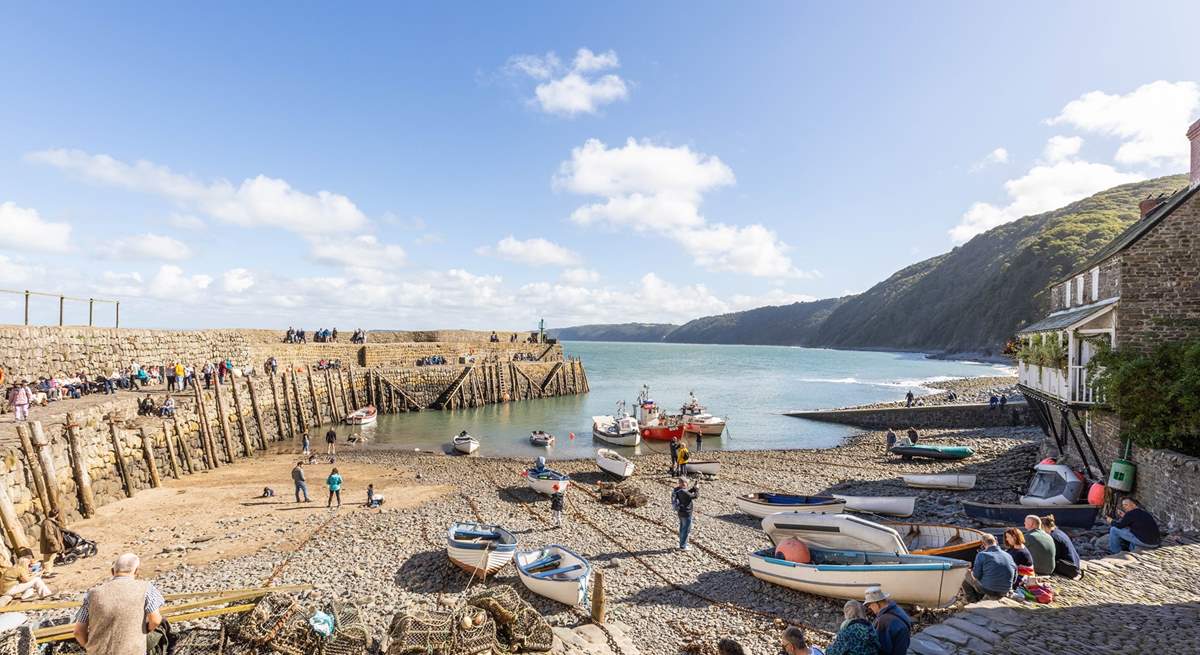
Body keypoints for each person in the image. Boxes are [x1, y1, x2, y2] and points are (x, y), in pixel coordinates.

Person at [73, 553, 165, 654]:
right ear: (137, 572)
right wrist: (144, 632)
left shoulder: (92, 594)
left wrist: (90, 647)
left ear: (112, 571)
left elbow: (78, 631)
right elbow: (156, 620)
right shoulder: (146, 588)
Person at [962, 533, 1016, 601]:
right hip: (1005, 590)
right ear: (996, 541)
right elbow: (1014, 577)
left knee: (964, 575)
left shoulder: (982, 555)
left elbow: (976, 576)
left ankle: (972, 601)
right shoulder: (1008, 555)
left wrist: (970, 572)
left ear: (983, 544)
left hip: (989, 590)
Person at [865, 587, 910, 655]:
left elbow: (881, 648)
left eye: (869, 605)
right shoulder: (898, 610)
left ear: (876, 603)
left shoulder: (884, 621)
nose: (869, 607)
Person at [1042, 515, 1081, 579]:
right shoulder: (1058, 532)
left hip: (1069, 567)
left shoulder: (1053, 537)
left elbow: (1054, 556)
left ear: (1044, 526)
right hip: (1074, 564)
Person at [672, 477, 699, 551]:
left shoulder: (678, 490)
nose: (686, 484)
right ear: (683, 483)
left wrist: (693, 488)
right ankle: (683, 546)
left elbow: (688, 493)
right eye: (685, 483)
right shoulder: (683, 492)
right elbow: (695, 496)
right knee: (686, 529)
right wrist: (697, 489)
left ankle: (682, 544)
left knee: (682, 528)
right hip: (686, 513)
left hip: (680, 512)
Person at [39, 509, 65, 575]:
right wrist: (56, 544)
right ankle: (47, 573)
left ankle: (50, 571)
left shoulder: (51, 522)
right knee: (48, 559)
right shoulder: (47, 523)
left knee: (51, 558)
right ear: (56, 515)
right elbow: (49, 536)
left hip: (51, 544)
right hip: (49, 545)